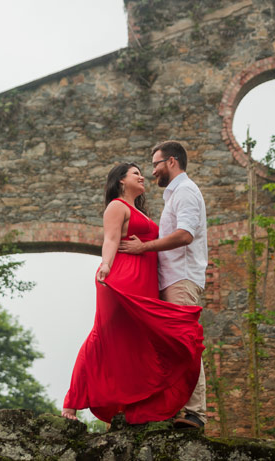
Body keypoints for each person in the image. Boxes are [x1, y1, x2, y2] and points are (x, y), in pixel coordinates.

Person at [61, 162, 204, 425]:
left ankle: (135, 404)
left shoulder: (139, 210)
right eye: (136, 174)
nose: (143, 177)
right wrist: (105, 264)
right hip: (122, 278)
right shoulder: (116, 206)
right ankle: (71, 402)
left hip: (144, 283)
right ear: (120, 181)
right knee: (103, 336)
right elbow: (111, 239)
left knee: (137, 342)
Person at [117, 141, 208, 429]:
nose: (152, 171)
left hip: (181, 278)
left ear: (171, 161)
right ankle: (171, 408)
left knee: (185, 343)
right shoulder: (174, 195)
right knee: (173, 346)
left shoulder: (185, 192)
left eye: (155, 164)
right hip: (173, 279)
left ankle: (196, 414)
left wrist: (144, 247)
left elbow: (184, 235)